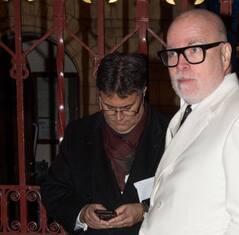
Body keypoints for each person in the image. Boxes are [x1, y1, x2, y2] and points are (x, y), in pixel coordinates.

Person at [139, 9, 239, 235]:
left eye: (194, 49)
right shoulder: (183, 116)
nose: (180, 64)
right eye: (172, 53)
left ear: (225, 55)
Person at [41, 53, 169, 235]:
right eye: (109, 107)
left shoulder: (171, 132)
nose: (118, 117)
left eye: (127, 108)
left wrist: (144, 210)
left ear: (144, 92)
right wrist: (82, 213)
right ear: (99, 95)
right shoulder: (78, 133)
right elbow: (53, 190)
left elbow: (187, 193)